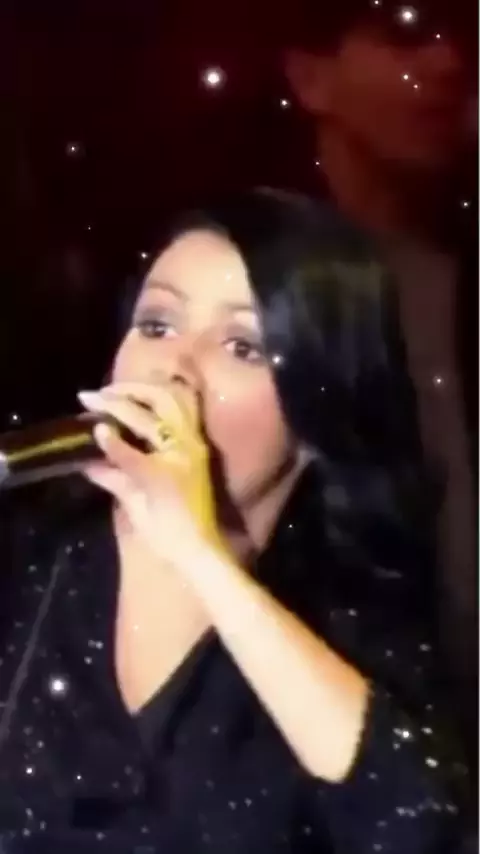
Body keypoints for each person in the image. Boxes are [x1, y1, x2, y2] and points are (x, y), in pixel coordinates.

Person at [0, 190, 469, 852]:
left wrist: (197, 554)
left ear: (315, 414)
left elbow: (421, 823)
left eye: (242, 346)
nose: (174, 369)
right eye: (156, 325)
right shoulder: (34, 557)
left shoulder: (347, 631)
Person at [281, 0, 477, 769]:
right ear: (310, 77)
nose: (448, 64)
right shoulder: (248, 291)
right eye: (404, 31)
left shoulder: (452, 277)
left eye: (459, 35)